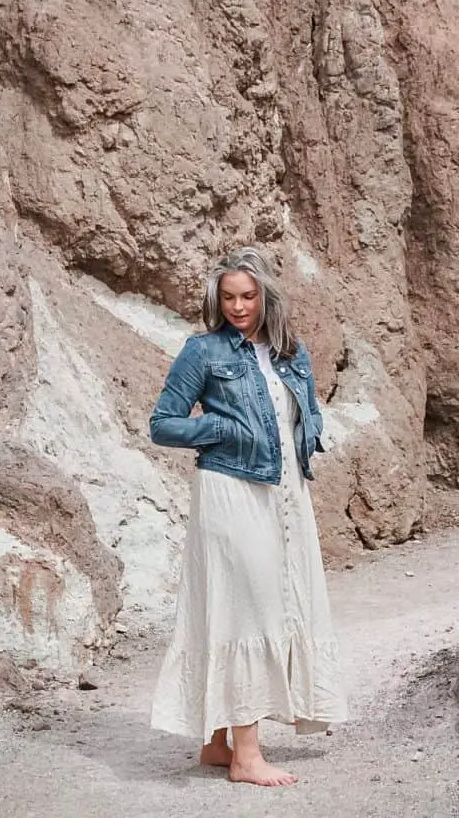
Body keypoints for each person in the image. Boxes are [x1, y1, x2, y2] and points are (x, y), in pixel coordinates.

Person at [148, 246, 347, 787]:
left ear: (266, 296)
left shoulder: (290, 352)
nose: (238, 306)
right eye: (229, 297)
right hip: (230, 492)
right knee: (246, 612)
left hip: (283, 493)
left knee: (262, 605)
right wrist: (219, 429)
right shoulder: (203, 352)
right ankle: (246, 756)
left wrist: (305, 441)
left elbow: (306, 412)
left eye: (248, 295)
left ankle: (216, 743)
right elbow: (162, 424)